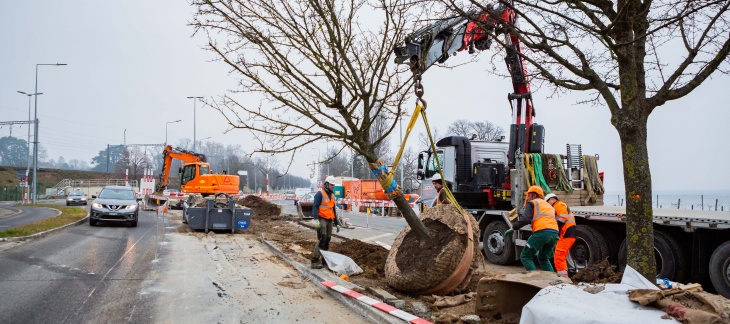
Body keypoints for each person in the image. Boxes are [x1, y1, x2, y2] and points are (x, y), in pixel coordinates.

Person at [504, 186, 559, 272]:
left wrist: (513, 227)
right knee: (543, 258)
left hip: (542, 232)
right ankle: (551, 281)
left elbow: (526, 219)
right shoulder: (548, 206)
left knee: (526, 256)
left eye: (528, 195)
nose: (527, 198)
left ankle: (534, 279)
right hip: (554, 233)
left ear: (533, 195)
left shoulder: (532, 203)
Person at [311, 176, 341, 269]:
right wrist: (316, 219)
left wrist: (337, 223)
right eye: (332, 185)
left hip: (329, 220)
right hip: (322, 219)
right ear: (327, 184)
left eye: (334, 185)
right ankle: (314, 261)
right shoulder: (320, 194)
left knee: (327, 240)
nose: (333, 186)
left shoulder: (332, 196)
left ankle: (324, 260)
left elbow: (333, 211)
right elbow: (315, 207)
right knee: (322, 239)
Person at [544, 193, 577, 277]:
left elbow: (563, 218)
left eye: (547, 203)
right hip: (567, 235)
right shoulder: (558, 206)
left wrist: (554, 227)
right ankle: (565, 277)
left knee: (558, 257)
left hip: (567, 234)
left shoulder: (559, 204)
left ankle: (563, 279)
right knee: (561, 257)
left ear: (552, 200)